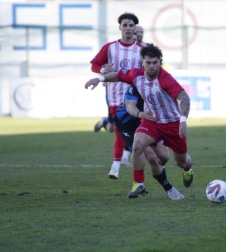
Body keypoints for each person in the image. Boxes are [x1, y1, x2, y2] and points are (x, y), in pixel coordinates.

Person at [85, 43, 194, 198]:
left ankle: (188, 168)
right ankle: (138, 183)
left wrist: (183, 119)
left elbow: (184, 97)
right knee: (137, 146)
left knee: (181, 161)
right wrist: (99, 78)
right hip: (152, 121)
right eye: (148, 62)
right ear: (142, 61)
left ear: (159, 62)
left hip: (172, 124)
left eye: (155, 62)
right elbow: (117, 75)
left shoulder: (165, 79)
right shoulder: (136, 75)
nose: (151, 66)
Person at [89, 12, 143, 179]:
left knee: (138, 132)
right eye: (124, 25)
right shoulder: (110, 47)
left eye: (130, 25)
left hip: (136, 97)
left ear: (134, 28)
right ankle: (117, 165)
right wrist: (101, 70)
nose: (127, 28)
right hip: (115, 96)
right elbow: (95, 64)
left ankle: (121, 166)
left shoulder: (141, 50)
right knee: (120, 131)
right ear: (120, 27)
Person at [115, 85, 184, 200]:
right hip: (128, 124)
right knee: (149, 156)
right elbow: (129, 106)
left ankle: (159, 175)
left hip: (149, 123)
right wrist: (139, 114)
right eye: (148, 65)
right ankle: (161, 187)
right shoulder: (136, 85)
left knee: (163, 157)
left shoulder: (162, 85)